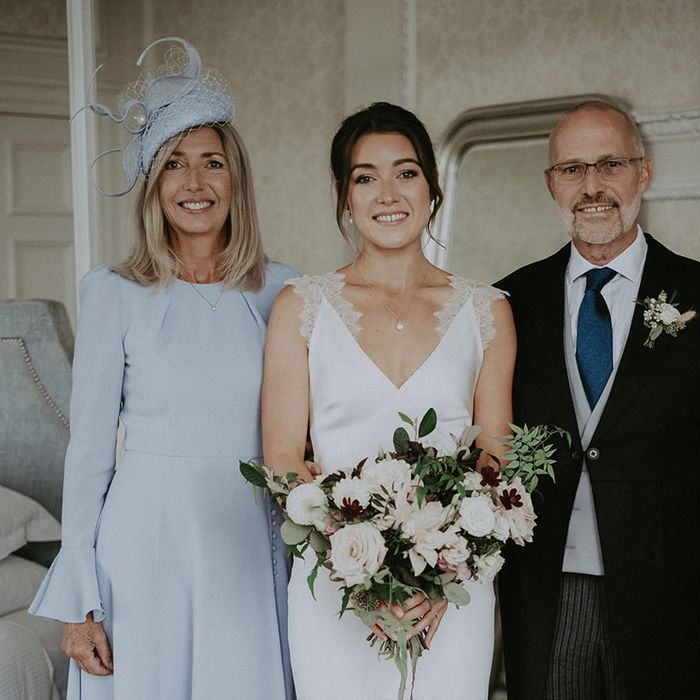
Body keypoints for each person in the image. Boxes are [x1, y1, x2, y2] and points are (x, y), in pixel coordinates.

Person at [29, 37, 294, 699]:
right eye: (175, 164)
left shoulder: (285, 292)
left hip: (245, 540)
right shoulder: (113, 291)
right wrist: (80, 598)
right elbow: (89, 452)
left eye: (211, 163)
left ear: (236, 180)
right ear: (152, 181)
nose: (195, 183)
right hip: (141, 546)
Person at [495, 99, 700, 699]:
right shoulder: (509, 302)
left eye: (610, 164)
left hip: (668, 603)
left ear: (643, 173)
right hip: (545, 598)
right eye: (572, 169)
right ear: (551, 184)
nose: (592, 186)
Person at [261, 101, 515, 699]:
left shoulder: (488, 312)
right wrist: (362, 573)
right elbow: (282, 460)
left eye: (405, 172)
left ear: (432, 186)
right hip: (334, 581)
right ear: (343, 196)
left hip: (449, 595)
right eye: (365, 177)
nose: (387, 194)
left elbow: (493, 459)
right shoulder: (301, 308)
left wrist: (442, 571)